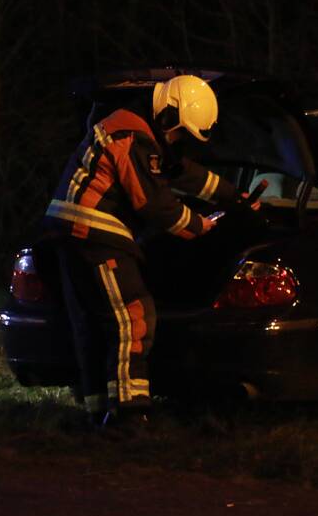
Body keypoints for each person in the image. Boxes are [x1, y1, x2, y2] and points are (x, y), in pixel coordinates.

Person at [43, 74, 249, 429]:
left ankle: (99, 411)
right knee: (132, 315)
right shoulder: (134, 137)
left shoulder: (141, 131)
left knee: (93, 325)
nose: (180, 142)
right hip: (94, 232)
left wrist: (232, 196)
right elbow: (153, 203)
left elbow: (182, 173)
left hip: (73, 231)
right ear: (168, 117)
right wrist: (200, 225)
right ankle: (129, 413)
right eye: (181, 134)